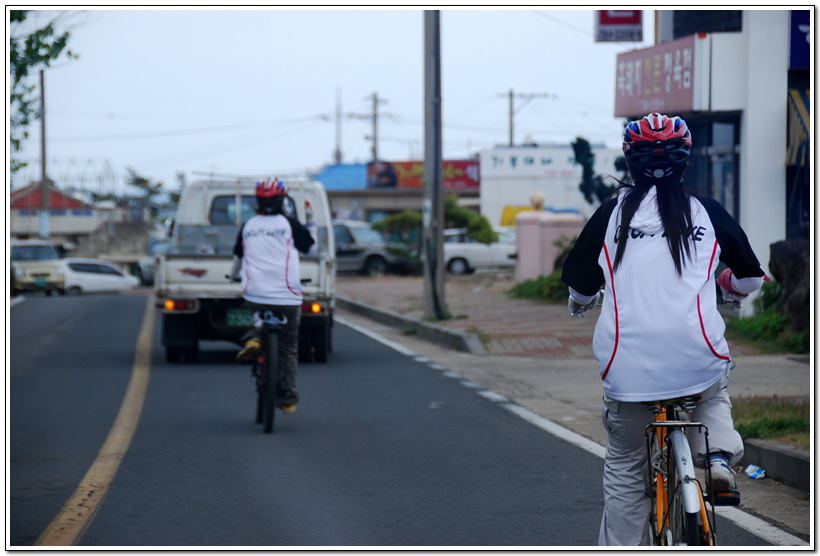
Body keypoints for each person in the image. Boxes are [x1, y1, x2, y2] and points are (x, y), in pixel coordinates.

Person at [561, 113, 766, 546]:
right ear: (685, 163)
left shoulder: (610, 215)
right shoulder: (707, 212)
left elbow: (580, 284)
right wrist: (723, 284)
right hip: (697, 361)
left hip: (629, 376)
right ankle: (717, 459)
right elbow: (749, 279)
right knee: (713, 389)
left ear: (629, 164)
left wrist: (581, 303)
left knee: (625, 469)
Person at [229, 178, 315, 414]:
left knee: (256, 309)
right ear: (282, 200)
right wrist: (312, 226)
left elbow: (237, 259)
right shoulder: (290, 224)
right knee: (288, 348)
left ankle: (255, 337)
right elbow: (312, 249)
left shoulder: (248, 225)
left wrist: (232, 276)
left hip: (255, 293)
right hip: (287, 297)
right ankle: (289, 398)